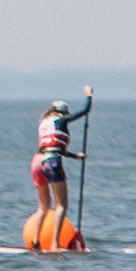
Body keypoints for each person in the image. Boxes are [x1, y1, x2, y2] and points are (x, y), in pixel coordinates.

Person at [31, 88, 93, 222]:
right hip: (51, 161)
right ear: (63, 113)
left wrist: (75, 156)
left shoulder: (44, 124)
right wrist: (89, 95)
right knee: (62, 206)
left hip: (37, 161)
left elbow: (51, 146)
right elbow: (85, 111)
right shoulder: (60, 121)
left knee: (43, 206)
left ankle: (35, 241)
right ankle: (54, 243)